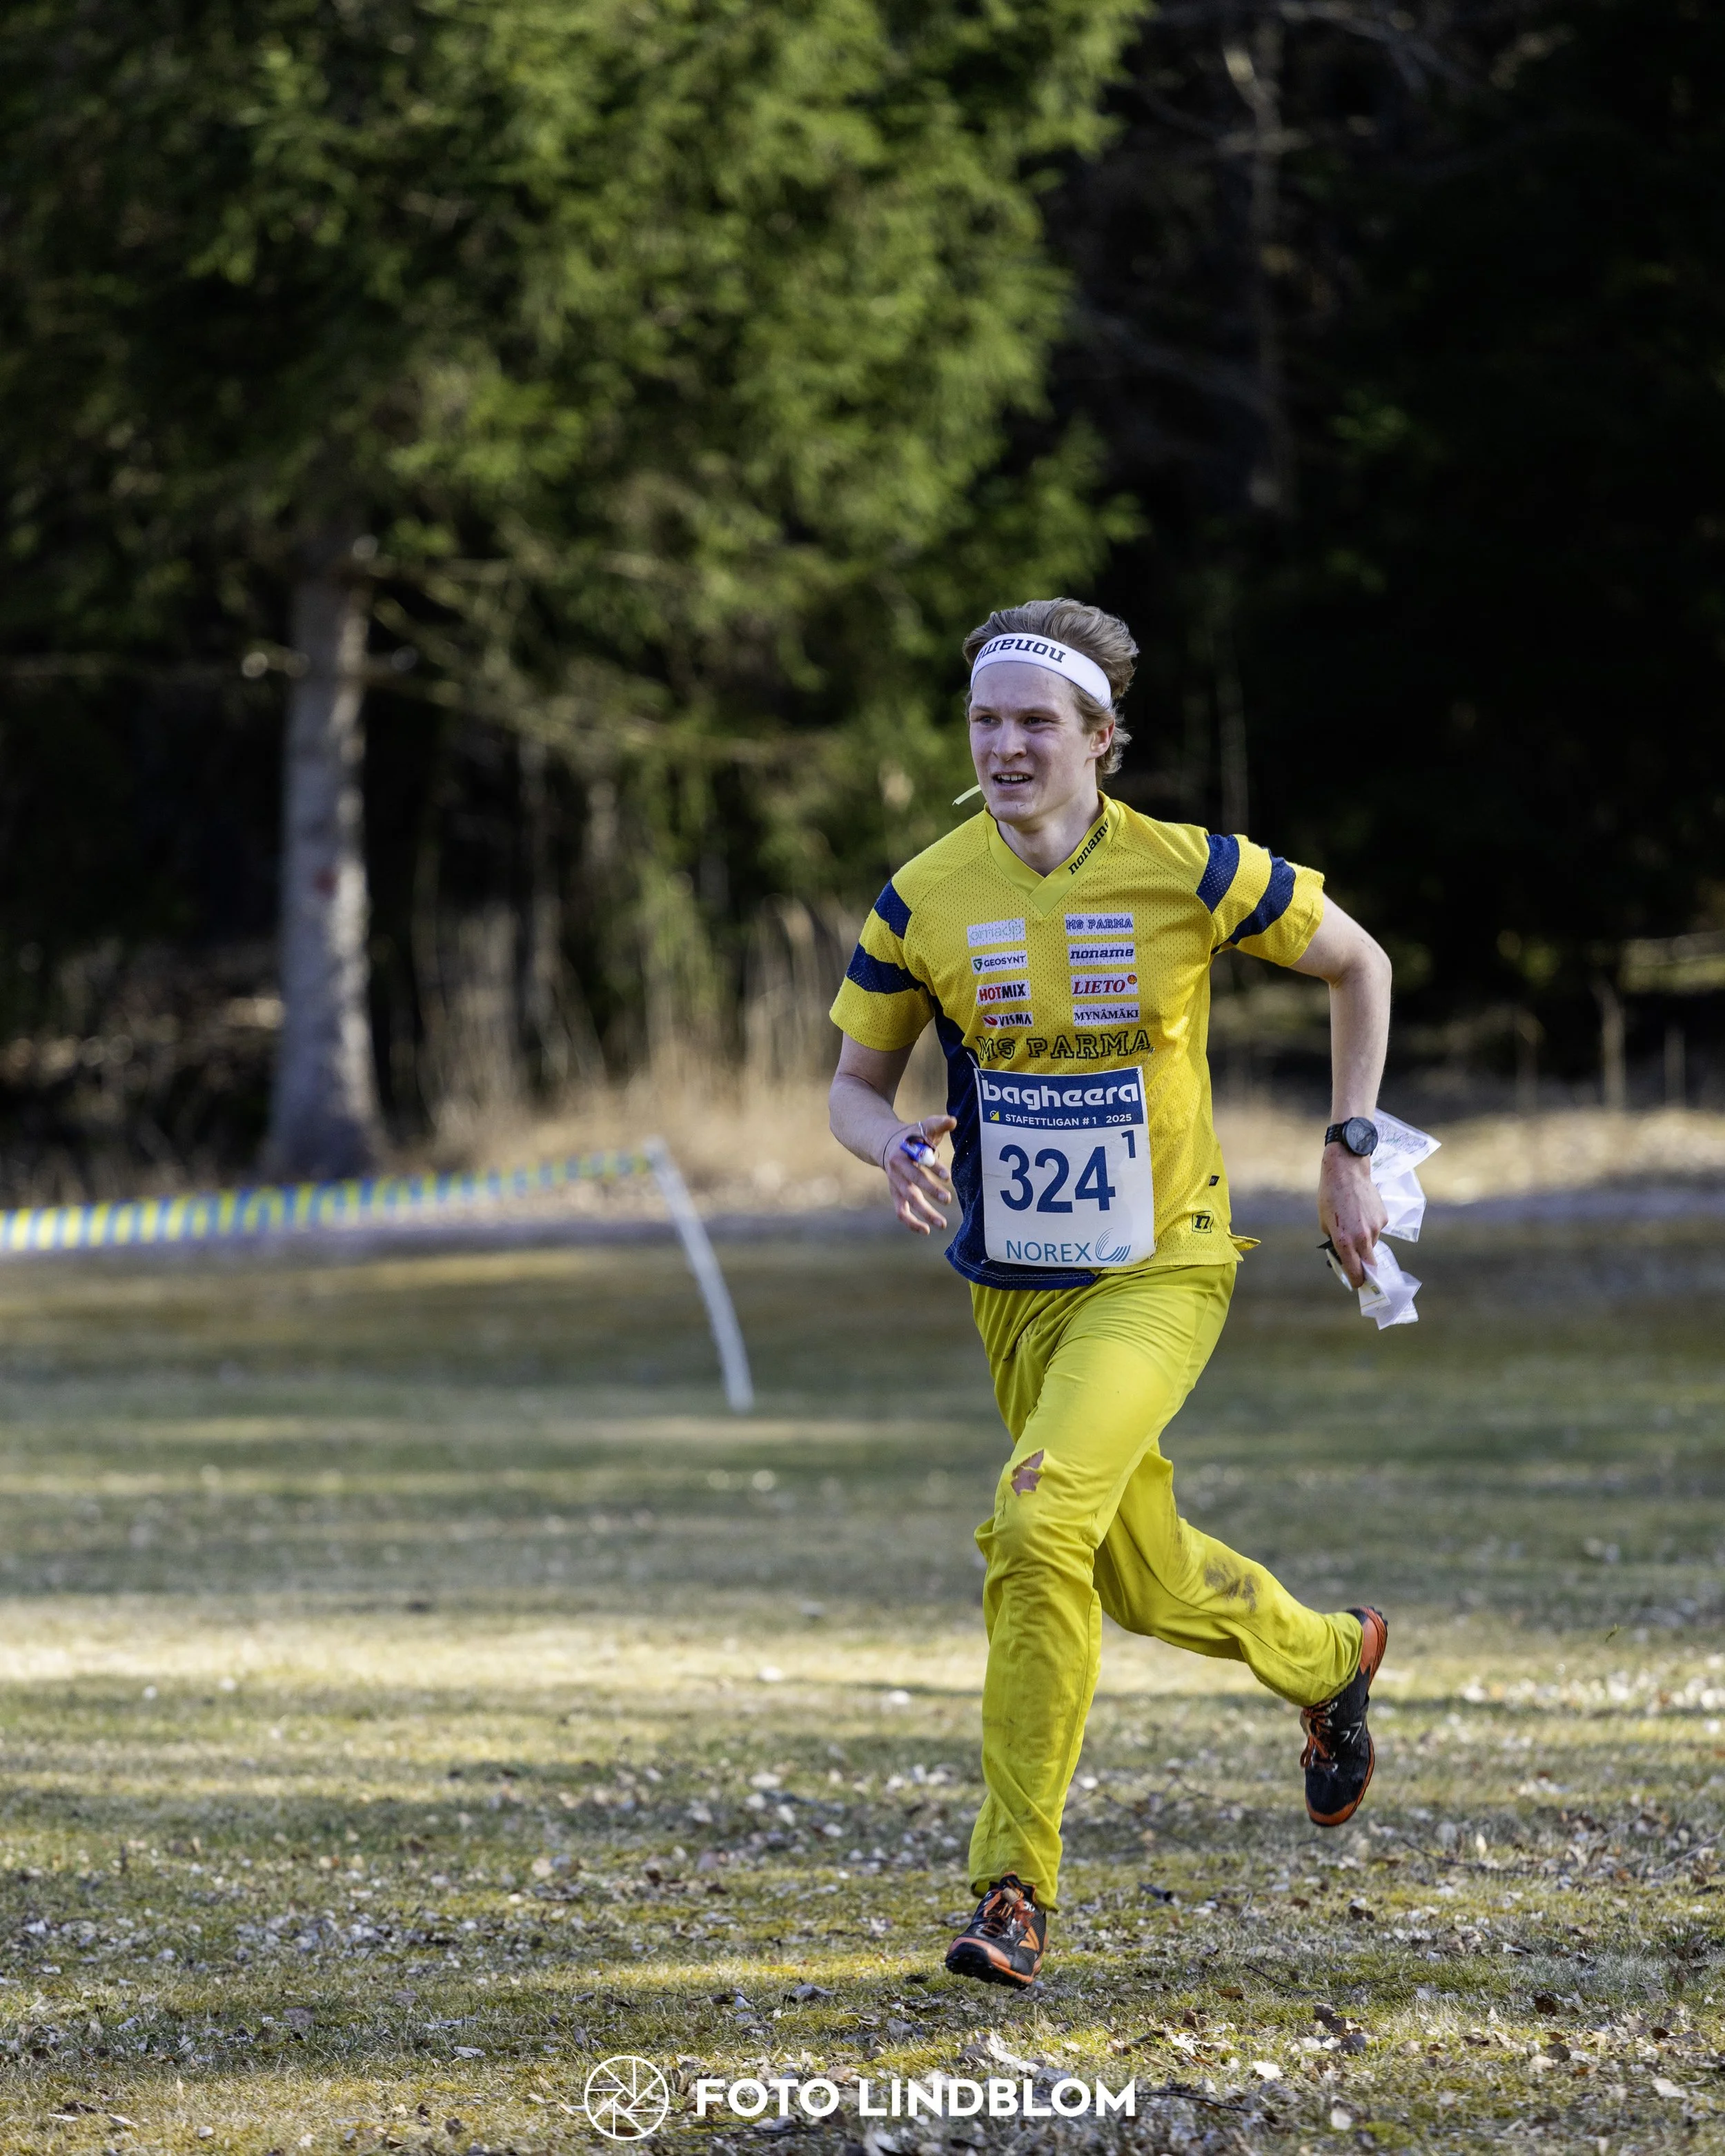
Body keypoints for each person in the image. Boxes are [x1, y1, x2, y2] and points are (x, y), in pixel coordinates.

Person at [827, 597, 1393, 1990]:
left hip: (1163, 1264)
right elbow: (850, 1089)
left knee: (1033, 1525)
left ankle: (1009, 1885)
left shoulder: (1186, 869)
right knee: (1125, 1567)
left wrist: (1346, 1146)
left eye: (1034, 721)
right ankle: (1327, 1656)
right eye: (984, 720)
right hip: (1014, 1289)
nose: (1006, 744)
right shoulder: (920, 895)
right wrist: (895, 1144)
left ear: (1100, 738)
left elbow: (1356, 962)